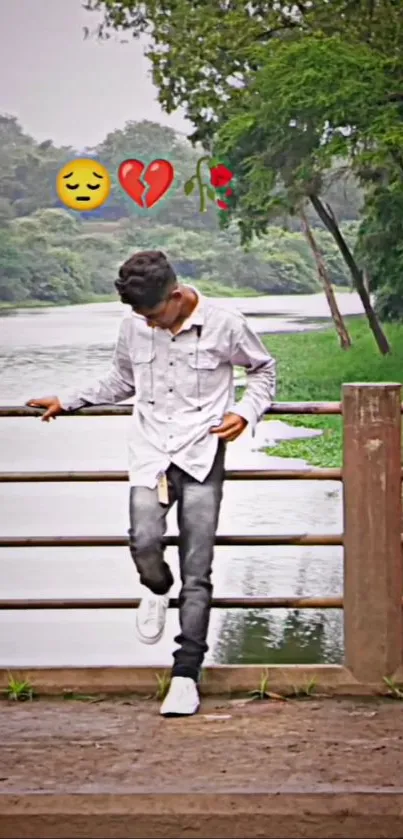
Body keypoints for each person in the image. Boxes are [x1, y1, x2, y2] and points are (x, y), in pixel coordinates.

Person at [27, 250, 276, 717]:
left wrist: (245, 411)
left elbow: (264, 370)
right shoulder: (135, 325)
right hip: (151, 454)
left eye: (156, 315)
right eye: (142, 317)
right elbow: (122, 380)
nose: (151, 325)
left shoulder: (226, 323)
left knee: (197, 568)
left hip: (202, 454)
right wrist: (69, 399)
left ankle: (185, 674)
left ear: (178, 297)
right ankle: (157, 588)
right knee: (143, 542)